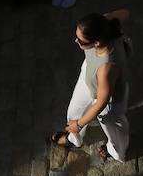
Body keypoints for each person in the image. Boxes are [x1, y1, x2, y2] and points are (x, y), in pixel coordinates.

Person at [48, 9, 131, 162]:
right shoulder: (104, 23)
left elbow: (101, 102)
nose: (76, 41)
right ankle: (74, 138)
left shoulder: (106, 68)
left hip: (110, 100)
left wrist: (79, 124)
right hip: (91, 74)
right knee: (74, 110)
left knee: (114, 130)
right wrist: (109, 18)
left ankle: (116, 151)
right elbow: (125, 12)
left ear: (96, 43)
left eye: (80, 41)